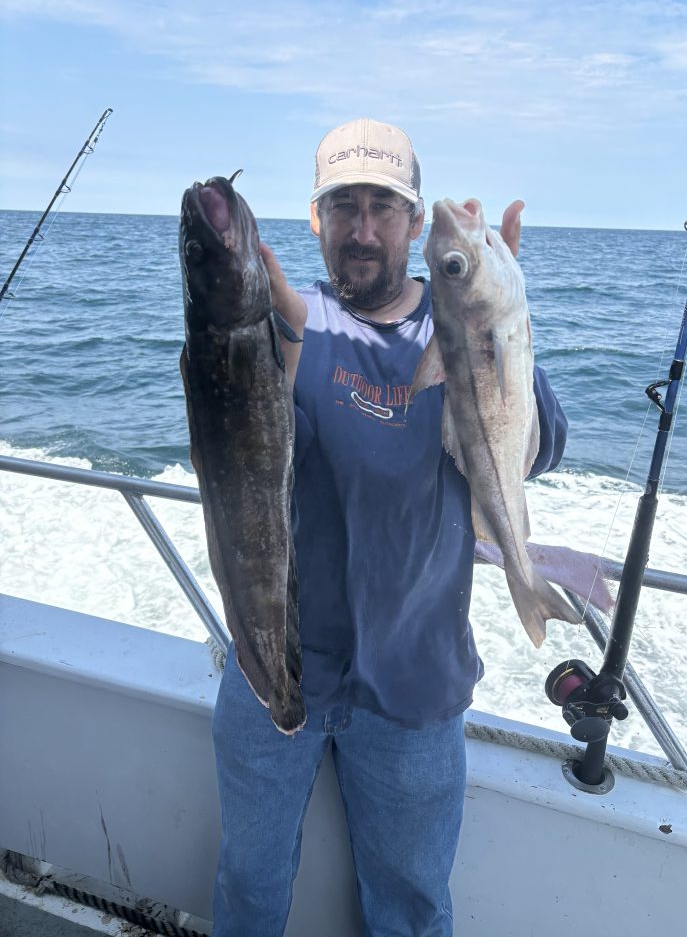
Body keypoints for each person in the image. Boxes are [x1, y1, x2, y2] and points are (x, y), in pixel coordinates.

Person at [211, 118, 567, 937]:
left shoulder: (451, 328)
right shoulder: (292, 327)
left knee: (408, 911)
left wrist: (502, 335)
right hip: (276, 669)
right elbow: (232, 440)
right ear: (315, 219)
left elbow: (538, 449)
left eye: (383, 207)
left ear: (413, 221)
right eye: (344, 208)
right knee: (248, 884)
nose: (363, 231)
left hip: (415, 688)